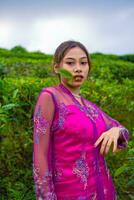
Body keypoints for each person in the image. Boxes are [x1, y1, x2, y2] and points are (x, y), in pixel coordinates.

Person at [32, 40, 129, 200]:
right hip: (69, 193)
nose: (78, 68)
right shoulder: (50, 97)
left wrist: (116, 130)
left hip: (103, 191)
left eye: (83, 63)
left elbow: (123, 131)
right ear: (57, 67)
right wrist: (46, 196)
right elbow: (40, 155)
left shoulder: (90, 107)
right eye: (70, 63)